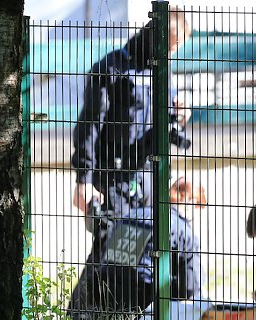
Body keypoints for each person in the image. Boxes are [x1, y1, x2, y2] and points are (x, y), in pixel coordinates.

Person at [71, 7, 192, 219]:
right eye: (172, 45)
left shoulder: (162, 71)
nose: (173, 51)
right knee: (114, 244)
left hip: (149, 174)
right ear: (157, 37)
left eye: (177, 47)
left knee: (151, 243)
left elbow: (165, 121)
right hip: (113, 175)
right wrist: (84, 178)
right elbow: (89, 124)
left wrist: (180, 117)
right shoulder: (110, 68)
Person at [67, 177, 205, 320]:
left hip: (104, 296)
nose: (198, 211)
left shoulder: (132, 214)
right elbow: (190, 286)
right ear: (189, 200)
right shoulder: (183, 230)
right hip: (144, 303)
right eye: (199, 205)